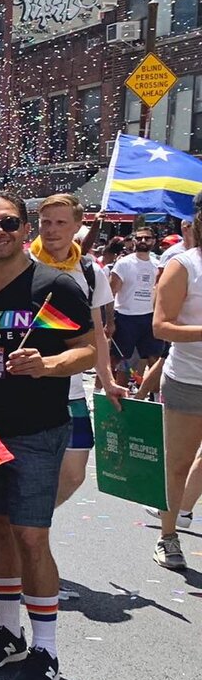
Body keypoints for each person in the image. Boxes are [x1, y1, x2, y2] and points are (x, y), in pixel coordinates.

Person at [0, 193, 94, 680]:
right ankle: (9, 634)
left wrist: (48, 364)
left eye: (8, 223)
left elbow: (88, 349)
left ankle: (46, 649)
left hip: (38, 429)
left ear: (23, 230)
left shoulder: (55, 285)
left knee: (32, 537)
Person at [31, 195, 123, 513]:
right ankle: (26, 528)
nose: (52, 230)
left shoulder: (89, 270)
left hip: (71, 390)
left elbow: (97, 333)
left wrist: (107, 381)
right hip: (28, 388)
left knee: (73, 475)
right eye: (45, 222)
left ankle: (28, 522)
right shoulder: (22, 265)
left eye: (60, 223)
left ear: (77, 226)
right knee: (25, 474)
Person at [151, 192, 202, 571]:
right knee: (179, 463)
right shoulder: (184, 265)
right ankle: (167, 536)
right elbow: (161, 326)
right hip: (189, 381)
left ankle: (182, 508)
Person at [110, 225, 166, 385]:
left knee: (154, 358)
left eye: (147, 238)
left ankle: (154, 396)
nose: (143, 241)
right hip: (125, 318)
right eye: (139, 238)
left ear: (154, 241)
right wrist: (109, 321)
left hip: (149, 317)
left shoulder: (158, 265)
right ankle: (112, 391)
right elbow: (110, 293)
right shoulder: (124, 264)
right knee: (120, 360)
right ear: (134, 240)